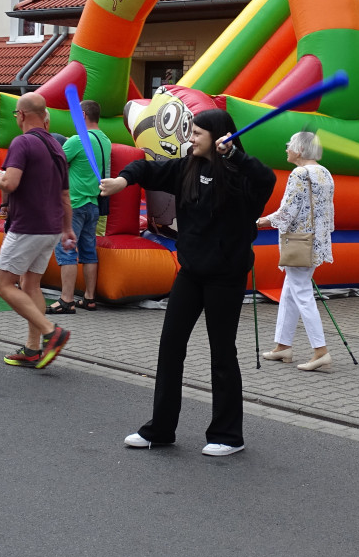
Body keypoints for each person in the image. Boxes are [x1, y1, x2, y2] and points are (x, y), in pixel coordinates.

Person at [101, 108, 276, 457]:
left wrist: (236, 155)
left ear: (218, 137)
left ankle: (228, 435)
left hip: (226, 276)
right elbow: (149, 168)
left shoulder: (239, 173)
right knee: (170, 348)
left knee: (222, 353)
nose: (190, 138)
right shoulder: (186, 167)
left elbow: (266, 180)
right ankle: (161, 429)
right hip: (191, 272)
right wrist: (123, 180)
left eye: (197, 133)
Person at [0, 92, 76, 369]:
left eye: (16, 114)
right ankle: (32, 349)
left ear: (23, 115)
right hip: (52, 227)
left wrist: (0, 180)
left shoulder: (22, 142)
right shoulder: (56, 146)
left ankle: (51, 332)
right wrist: (67, 229)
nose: (16, 118)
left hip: (28, 226)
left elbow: (12, 183)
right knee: (30, 284)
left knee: (2, 284)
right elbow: (65, 196)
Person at [257, 131, 335, 371]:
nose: (286, 148)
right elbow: (328, 211)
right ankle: (283, 346)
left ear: (299, 150)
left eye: (289, 144)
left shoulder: (299, 174)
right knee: (290, 291)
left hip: (298, 242)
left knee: (300, 293)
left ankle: (320, 351)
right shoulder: (325, 173)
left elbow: (286, 212)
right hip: (316, 242)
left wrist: (258, 222)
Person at [46, 100, 111, 315]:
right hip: (93, 203)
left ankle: (66, 300)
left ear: (82, 115)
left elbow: (55, 164)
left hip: (73, 203)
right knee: (89, 252)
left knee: (67, 252)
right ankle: (89, 298)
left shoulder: (77, 140)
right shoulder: (105, 140)